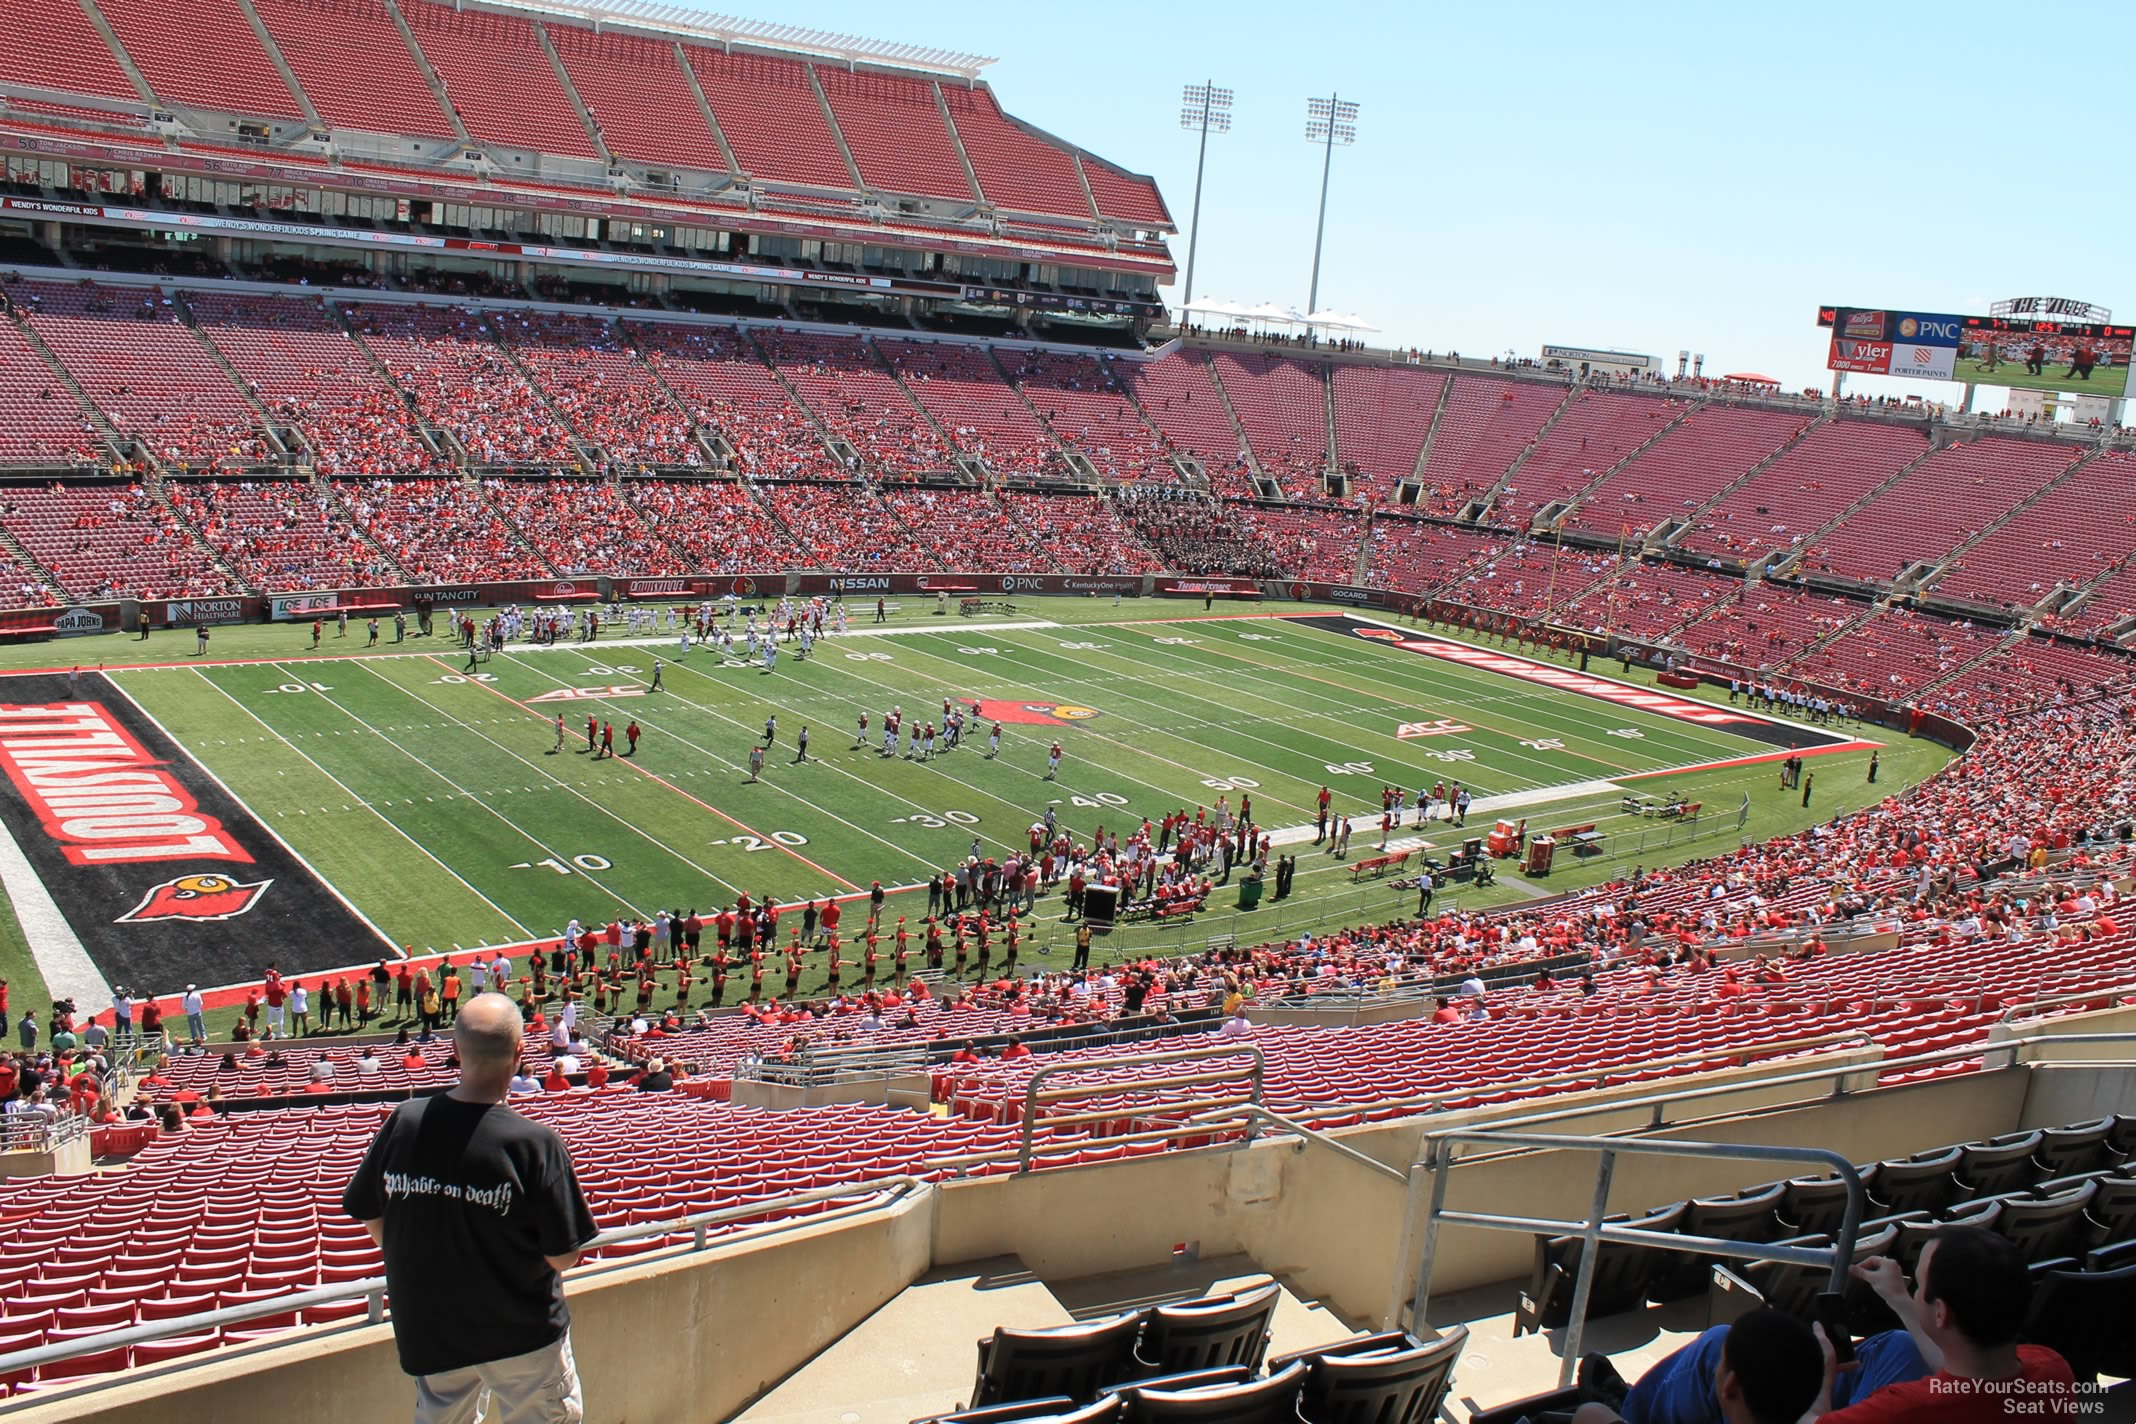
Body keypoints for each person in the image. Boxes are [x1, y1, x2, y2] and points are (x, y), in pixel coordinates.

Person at [343, 993, 597, 1424]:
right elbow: (563, 1255)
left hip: (432, 1330)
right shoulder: (535, 1143)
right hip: (523, 1334)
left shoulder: (405, 1121)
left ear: (456, 1051)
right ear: (519, 1053)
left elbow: (368, 1210)